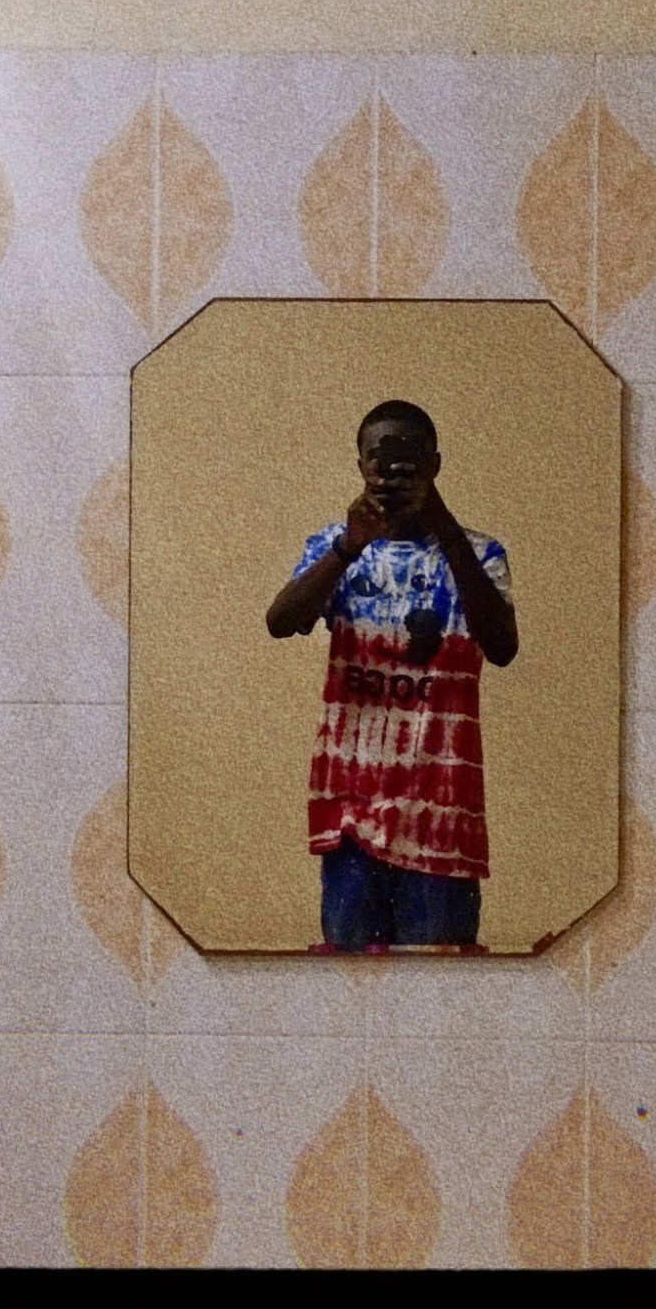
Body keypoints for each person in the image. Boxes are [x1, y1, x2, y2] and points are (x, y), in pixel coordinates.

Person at [265, 400, 518, 954]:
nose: (391, 472)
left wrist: (445, 530)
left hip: (442, 820)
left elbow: (502, 647)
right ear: (360, 466)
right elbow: (281, 622)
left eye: (407, 458)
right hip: (350, 813)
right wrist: (348, 547)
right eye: (378, 459)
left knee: (439, 997)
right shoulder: (334, 545)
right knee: (351, 993)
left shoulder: (478, 552)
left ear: (435, 464)